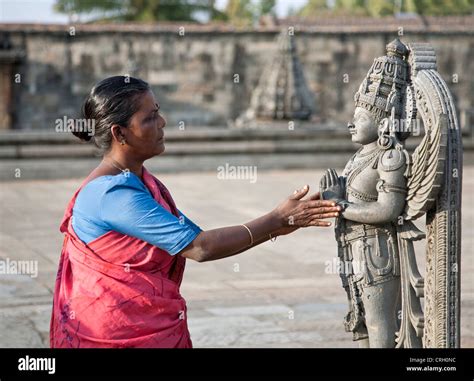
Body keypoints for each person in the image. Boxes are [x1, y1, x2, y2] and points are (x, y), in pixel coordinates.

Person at [50, 76, 341, 348]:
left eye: (158, 111)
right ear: (120, 133)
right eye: (150, 117)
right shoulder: (111, 194)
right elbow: (200, 246)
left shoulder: (142, 183)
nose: (162, 122)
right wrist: (277, 219)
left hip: (142, 323)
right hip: (112, 331)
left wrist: (281, 223)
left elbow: (192, 237)